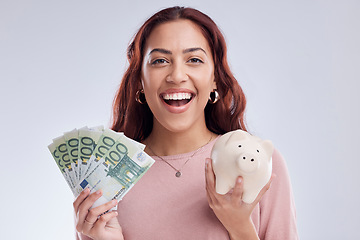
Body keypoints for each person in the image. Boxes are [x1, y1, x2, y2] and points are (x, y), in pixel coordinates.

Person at [73, 6, 298, 240]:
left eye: (194, 59)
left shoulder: (258, 161)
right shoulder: (106, 178)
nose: (177, 75)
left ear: (215, 79)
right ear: (140, 79)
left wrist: (240, 227)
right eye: (160, 60)